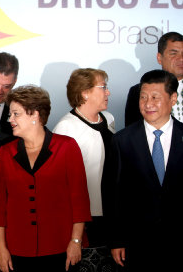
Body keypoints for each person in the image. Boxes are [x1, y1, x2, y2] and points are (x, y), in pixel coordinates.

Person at [0, 85, 91, 272]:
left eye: (15, 114)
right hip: (17, 251)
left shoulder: (67, 147)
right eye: (10, 114)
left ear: (35, 114)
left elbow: (80, 200)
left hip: (61, 247)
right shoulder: (6, 152)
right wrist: (0, 249)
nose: (10, 119)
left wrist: (76, 241)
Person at [102, 70, 183, 271]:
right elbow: (113, 194)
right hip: (137, 243)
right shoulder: (122, 140)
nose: (148, 104)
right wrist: (116, 240)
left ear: (173, 98)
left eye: (155, 97)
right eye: (143, 97)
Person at [53, 68, 115, 247]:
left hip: (112, 209)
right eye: (103, 87)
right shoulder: (66, 128)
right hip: (87, 217)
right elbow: (59, 181)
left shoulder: (109, 119)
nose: (108, 92)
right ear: (85, 93)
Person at [125, 31, 183, 125]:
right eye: (173, 53)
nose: (181, 58)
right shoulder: (137, 92)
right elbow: (131, 134)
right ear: (159, 58)